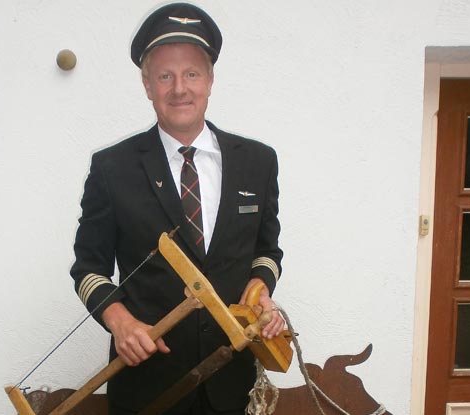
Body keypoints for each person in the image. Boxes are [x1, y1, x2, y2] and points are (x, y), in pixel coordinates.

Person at [70, 3, 284, 414]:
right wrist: (121, 323)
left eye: (192, 74)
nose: (179, 88)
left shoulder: (258, 161)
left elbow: (267, 252)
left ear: (210, 80)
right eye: (165, 76)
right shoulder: (112, 168)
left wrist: (261, 291)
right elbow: (88, 269)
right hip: (148, 386)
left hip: (232, 385)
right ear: (147, 85)